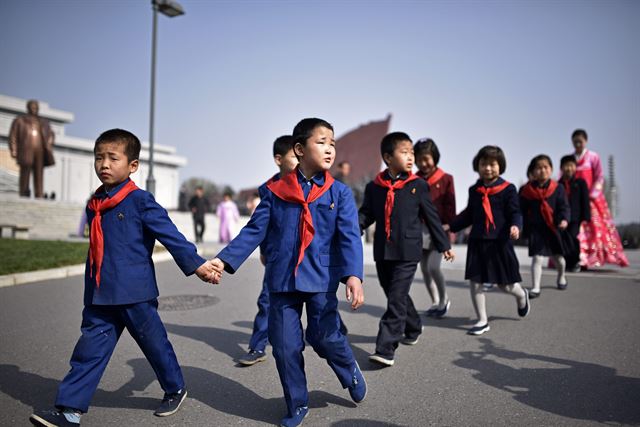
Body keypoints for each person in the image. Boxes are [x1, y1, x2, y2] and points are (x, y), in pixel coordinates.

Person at [29, 129, 219, 427]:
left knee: (154, 344)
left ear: (132, 166)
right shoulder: (96, 203)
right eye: (98, 158)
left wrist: (197, 265)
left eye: (112, 158)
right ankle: (69, 411)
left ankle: (175, 387)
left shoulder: (140, 201)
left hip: (134, 293)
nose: (103, 164)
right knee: (89, 350)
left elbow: (169, 235)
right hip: (100, 291)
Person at [212, 118, 366, 427]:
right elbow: (254, 230)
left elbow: (349, 236)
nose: (329, 148)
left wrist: (353, 276)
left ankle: (348, 367)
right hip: (282, 279)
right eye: (321, 142)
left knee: (323, 336)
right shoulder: (274, 191)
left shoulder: (340, 193)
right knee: (284, 346)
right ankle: (297, 403)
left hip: (322, 277)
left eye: (332, 143)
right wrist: (224, 261)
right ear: (299, 149)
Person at [359, 132, 454, 367]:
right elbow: (367, 213)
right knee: (394, 293)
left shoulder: (418, 185)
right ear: (388, 157)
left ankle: (386, 347)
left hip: (409, 250)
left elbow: (431, 217)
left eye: (412, 152)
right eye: (405, 152)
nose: (411, 157)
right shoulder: (374, 187)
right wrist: (353, 228)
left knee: (397, 296)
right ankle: (414, 326)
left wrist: (444, 245)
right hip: (383, 249)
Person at [450, 146, 530, 336]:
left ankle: (522, 295)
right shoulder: (474, 190)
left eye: (492, 164)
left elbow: (515, 212)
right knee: (475, 281)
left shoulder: (508, 189)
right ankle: (482, 320)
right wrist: (450, 226)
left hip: (500, 243)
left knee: (506, 285)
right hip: (478, 242)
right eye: (483, 164)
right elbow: (469, 215)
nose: (487, 168)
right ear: (477, 166)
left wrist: (516, 226)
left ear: (500, 166)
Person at [238, 135, 298, 366]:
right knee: (267, 300)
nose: (298, 162)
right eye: (294, 157)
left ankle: (330, 336)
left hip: (306, 256)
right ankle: (257, 347)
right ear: (278, 159)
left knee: (318, 302)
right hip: (277, 256)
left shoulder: (308, 185)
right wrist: (264, 249)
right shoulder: (268, 190)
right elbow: (262, 225)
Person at [569, 129, 628, 268]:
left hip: (592, 199)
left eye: (580, 141)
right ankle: (578, 257)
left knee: (596, 228)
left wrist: (592, 195)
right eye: (575, 142)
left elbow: (599, 177)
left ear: (585, 141)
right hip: (575, 200)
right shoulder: (571, 159)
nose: (578, 144)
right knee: (577, 229)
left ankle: (593, 257)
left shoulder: (593, 157)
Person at [414, 138, 456, 318]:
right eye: (419, 159)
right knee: (423, 269)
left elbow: (450, 206)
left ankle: (444, 299)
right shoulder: (413, 179)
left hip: (439, 230)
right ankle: (435, 302)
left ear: (435, 157)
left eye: (427, 158)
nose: (423, 163)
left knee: (433, 267)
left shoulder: (446, 179)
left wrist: (449, 229)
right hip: (419, 231)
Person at [520, 155, 570, 298]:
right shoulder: (526, 190)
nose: (542, 170)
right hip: (536, 229)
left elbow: (564, 207)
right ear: (533, 171)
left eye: (545, 167)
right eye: (538, 168)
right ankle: (536, 287)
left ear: (551, 169)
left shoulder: (558, 188)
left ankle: (561, 276)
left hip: (554, 228)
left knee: (558, 258)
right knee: (537, 258)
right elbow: (520, 210)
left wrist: (564, 220)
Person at [8, 99, 55, 198]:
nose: (34, 109)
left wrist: (49, 144)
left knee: (39, 173)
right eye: (32, 107)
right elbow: (13, 136)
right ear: (28, 108)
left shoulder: (43, 122)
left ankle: (39, 194)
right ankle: (23, 192)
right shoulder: (20, 120)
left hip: (40, 150)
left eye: (36, 107)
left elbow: (51, 134)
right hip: (26, 149)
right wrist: (14, 150)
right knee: (25, 171)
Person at [559, 155, 591, 271]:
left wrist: (586, 217)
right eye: (566, 166)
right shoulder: (558, 184)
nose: (569, 168)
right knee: (564, 240)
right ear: (561, 168)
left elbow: (585, 201)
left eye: (571, 165)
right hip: (561, 218)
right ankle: (568, 263)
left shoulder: (580, 183)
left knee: (573, 238)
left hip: (575, 218)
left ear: (575, 167)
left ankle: (575, 261)